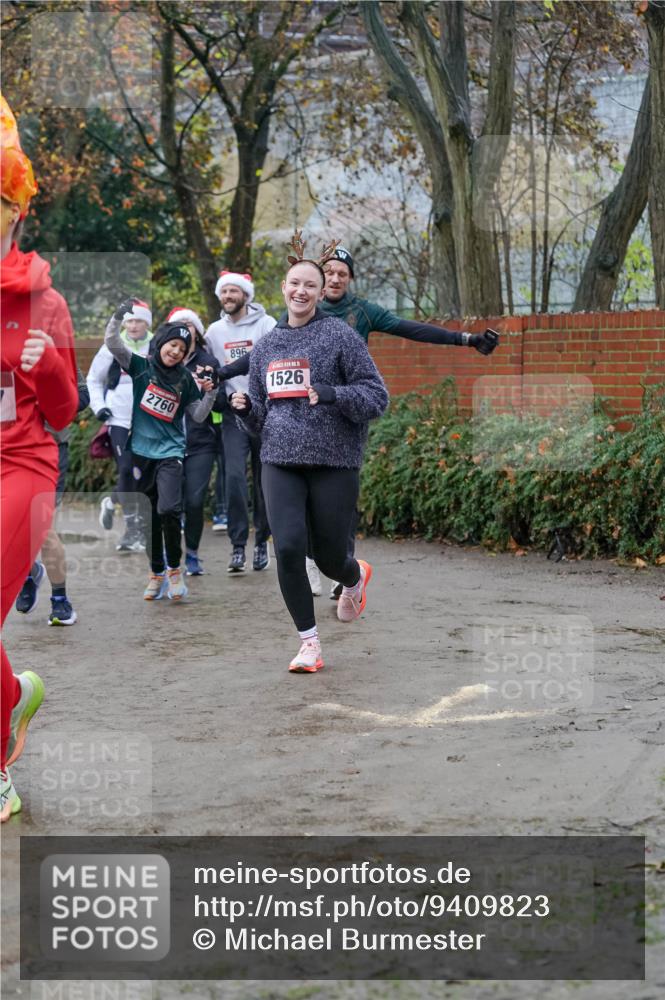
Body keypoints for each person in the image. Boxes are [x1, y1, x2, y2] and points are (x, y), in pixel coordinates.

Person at [220, 244, 500, 596]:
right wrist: (223, 372)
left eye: (342, 274)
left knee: (336, 504)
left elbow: (411, 329)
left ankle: (343, 568)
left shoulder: (362, 314)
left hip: (345, 417)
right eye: (331, 271)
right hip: (295, 429)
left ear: (343, 282)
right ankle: (311, 561)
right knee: (298, 501)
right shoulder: (296, 311)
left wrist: (467, 339)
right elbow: (262, 357)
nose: (335, 278)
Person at [230, 235, 388, 673]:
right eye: (294, 284)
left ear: (321, 294)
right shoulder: (264, 347)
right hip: (279, 460)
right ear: (283, 287)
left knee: (328, 556)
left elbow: (377, 396)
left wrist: (334, 393)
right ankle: (309, 643)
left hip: (334, 461)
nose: (301, 292)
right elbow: (261, 418)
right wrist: (243, 411)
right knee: (289, 547)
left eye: (310, 286)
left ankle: (354, 576)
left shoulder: (339, 335)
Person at [1, 94, 79, 820]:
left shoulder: (43, 302)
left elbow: (63, 412)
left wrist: (46, 363)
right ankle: (16, 695)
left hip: (23, 465)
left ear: (13, 214)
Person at [104, 307, 217, 600]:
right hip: (141, 453)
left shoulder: (185, 380)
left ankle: (174, 570)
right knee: (149, 517)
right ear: (162, 343)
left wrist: (211, 392)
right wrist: (118, 317)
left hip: (170, 453)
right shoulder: (142, 366)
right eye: (172, 345)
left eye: (182, 348)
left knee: (168, 509)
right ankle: (156, 573)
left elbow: (200, 415)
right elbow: (113, 343)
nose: (176, 351)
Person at [205, 271, 276, 574]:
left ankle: (261, 541)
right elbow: (205, 367)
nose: (228, 296)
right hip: (233, 414)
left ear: (246, 295)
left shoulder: (266, 324)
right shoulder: (213, 331)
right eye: (224, 292)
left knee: (264, 481)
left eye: (234, 291)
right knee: (233, 478)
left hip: (266, 412)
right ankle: (237, 546)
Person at [15, 367, 90, 625]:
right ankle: (30, 572)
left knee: (42, 527)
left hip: (49, 448)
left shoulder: (52, 349)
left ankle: (60, 600)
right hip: (8, 451)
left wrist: (52, 404)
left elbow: (83, 394)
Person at [87, 299, 153, 551]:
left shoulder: (156, 344)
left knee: (141, 473)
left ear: (147, 323)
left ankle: (112, 500)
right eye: (130, 321)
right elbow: (93, 379)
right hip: (118, 418)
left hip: (148, 419)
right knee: (126, 469)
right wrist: (99, 406)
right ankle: (131, 530)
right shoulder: (113, 345)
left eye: (139, 321)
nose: (134, 325)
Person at [166, 307, 225, 577]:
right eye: (179, 324)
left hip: (201, 442)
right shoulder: (163, 361)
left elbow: (219, 400)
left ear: (197, 332)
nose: (185, 328)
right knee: (170, 504)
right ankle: (171, 557)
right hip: (168, 444)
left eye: (190, 324)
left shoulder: (208, 361)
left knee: (194, 501)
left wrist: (209, 388)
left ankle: (191, 553)